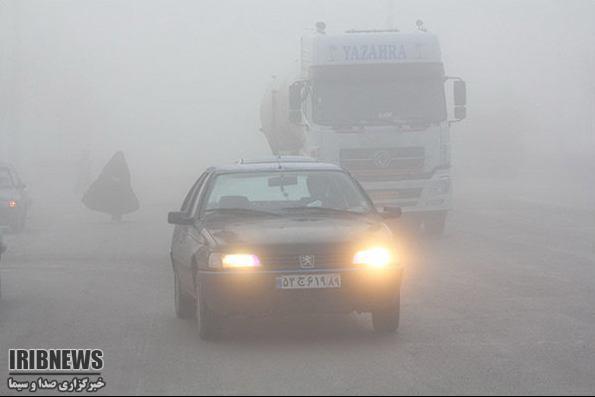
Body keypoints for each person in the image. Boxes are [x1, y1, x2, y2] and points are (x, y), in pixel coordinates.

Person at [82, 151, 140, 222]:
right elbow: (105, 174)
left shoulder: (123, 166)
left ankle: (117, 216)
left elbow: (127, 176)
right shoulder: (110, 165)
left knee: (119, 203)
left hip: (120, 190)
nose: (119, 159)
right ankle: (115, 215)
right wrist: (112, 179)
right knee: (113, 202)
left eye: (120, 157)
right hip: (111, 189)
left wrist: (121, 181)